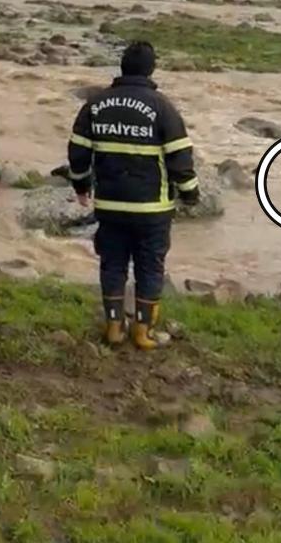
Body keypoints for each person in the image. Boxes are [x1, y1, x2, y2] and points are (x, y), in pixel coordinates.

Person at [68, 41, 199, 351]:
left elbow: (77, 151)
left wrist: (81, 186)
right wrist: (191, 195)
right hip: (152, 209)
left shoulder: (96, 104)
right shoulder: (162, 107)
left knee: (112, 263)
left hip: (110, 206)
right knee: (149, 267)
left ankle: (114, 327)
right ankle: (143, 332)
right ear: (151, 69)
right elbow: (180, 159)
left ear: (122, 66)